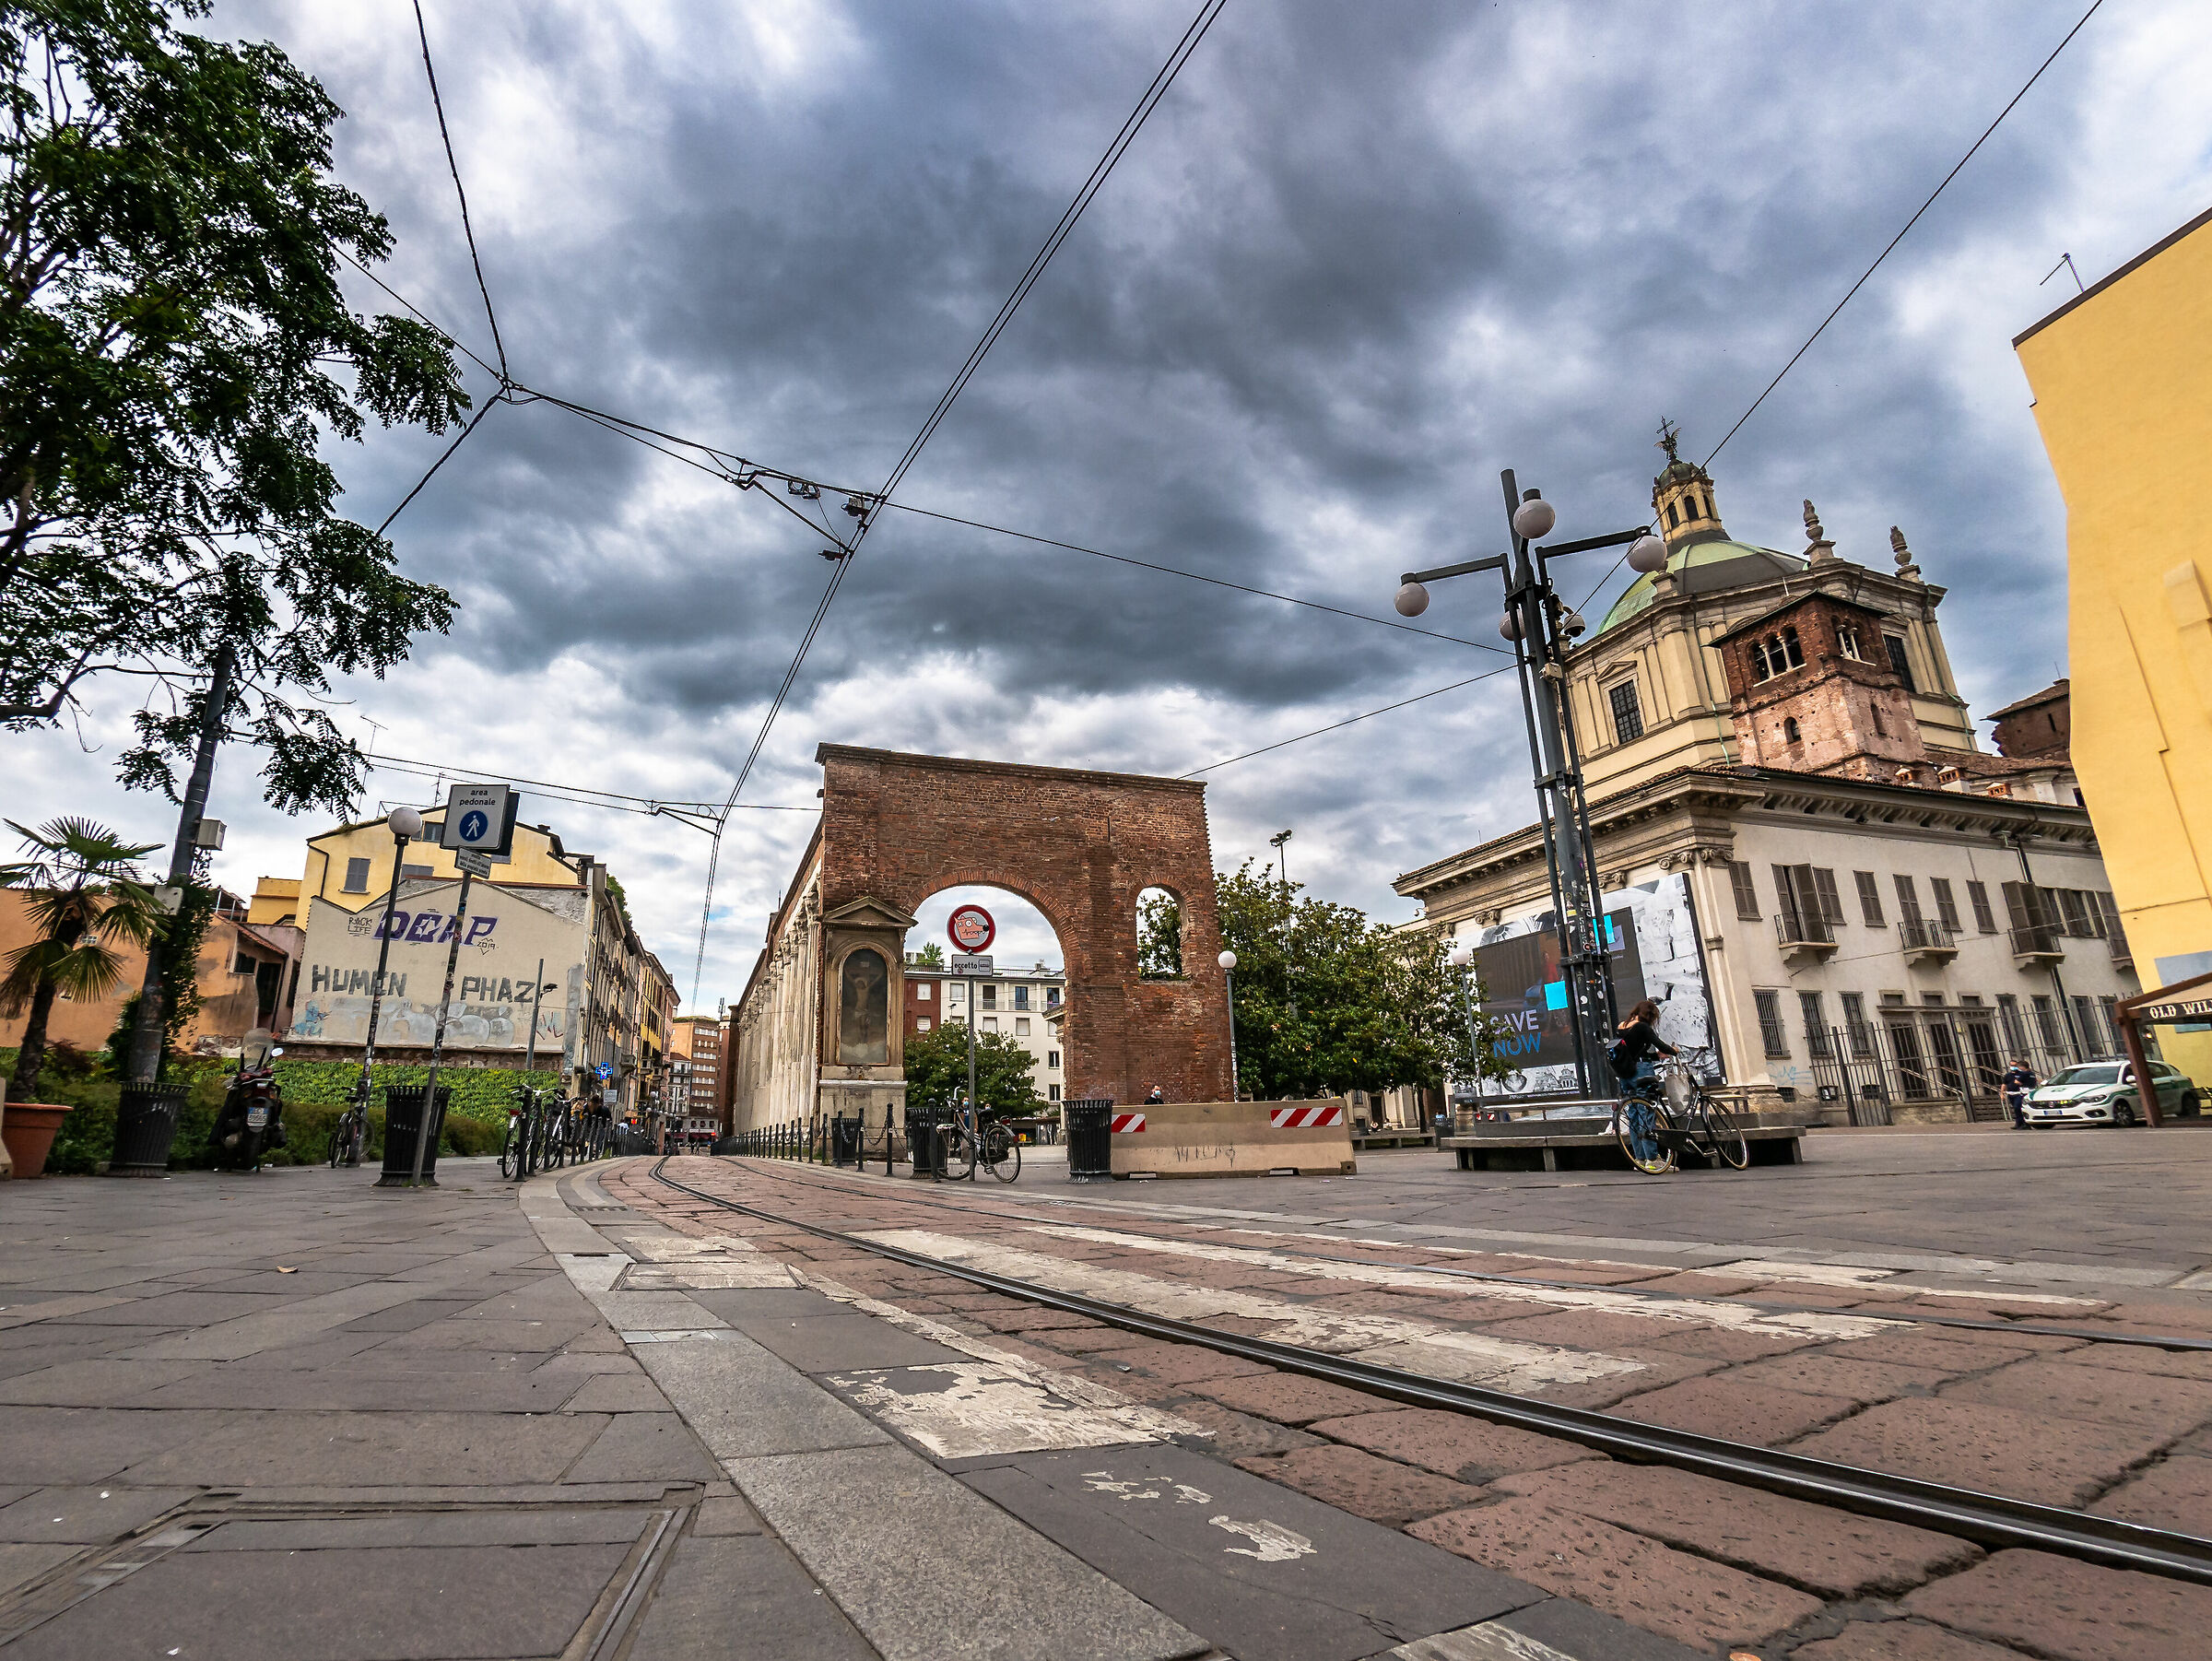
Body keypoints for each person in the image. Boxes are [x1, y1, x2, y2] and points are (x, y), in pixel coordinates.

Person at [1611, 998, 1677, 1095]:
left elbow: (1632, 1051)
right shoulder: (1642, 1027)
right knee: (1646, 1099)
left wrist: (1656, 1056)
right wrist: (1674, 1051)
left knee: (1631, 1100)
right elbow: (1660, 1045)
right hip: (1641, 1069)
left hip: (1625, 1069)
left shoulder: (1621, 1026)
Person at [2002, 1057, 2038, 1128]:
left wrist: (2019, 1082)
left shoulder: (2023, 1074)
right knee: (2017, 1108)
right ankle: (2019, 1124)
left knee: (2018, 1107)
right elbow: (2004, 1084)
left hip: (2021, 1093)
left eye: (2016, 1066)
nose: (2015, 1067)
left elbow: (2018, 1082)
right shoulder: (2031, 1073)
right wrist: (2002, 1093)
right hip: (2015, 1093)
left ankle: (2024, 1124)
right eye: (2012, 1065)